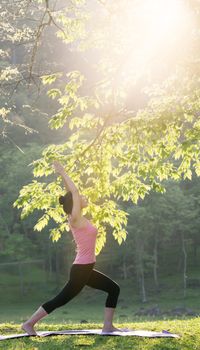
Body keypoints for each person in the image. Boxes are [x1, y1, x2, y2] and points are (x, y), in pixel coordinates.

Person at [22, 160, 121, 336]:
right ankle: (29, 324)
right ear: (74, 204)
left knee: (113, 289)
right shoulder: (74, 218)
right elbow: (73, 192)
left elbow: (72, 193)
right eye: (80, 198)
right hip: (81, 269)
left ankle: (108, 326)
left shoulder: (78, 217)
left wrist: (64, 178)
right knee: (61, 299)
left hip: (86, 267)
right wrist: (62, 172)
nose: (83, 197)